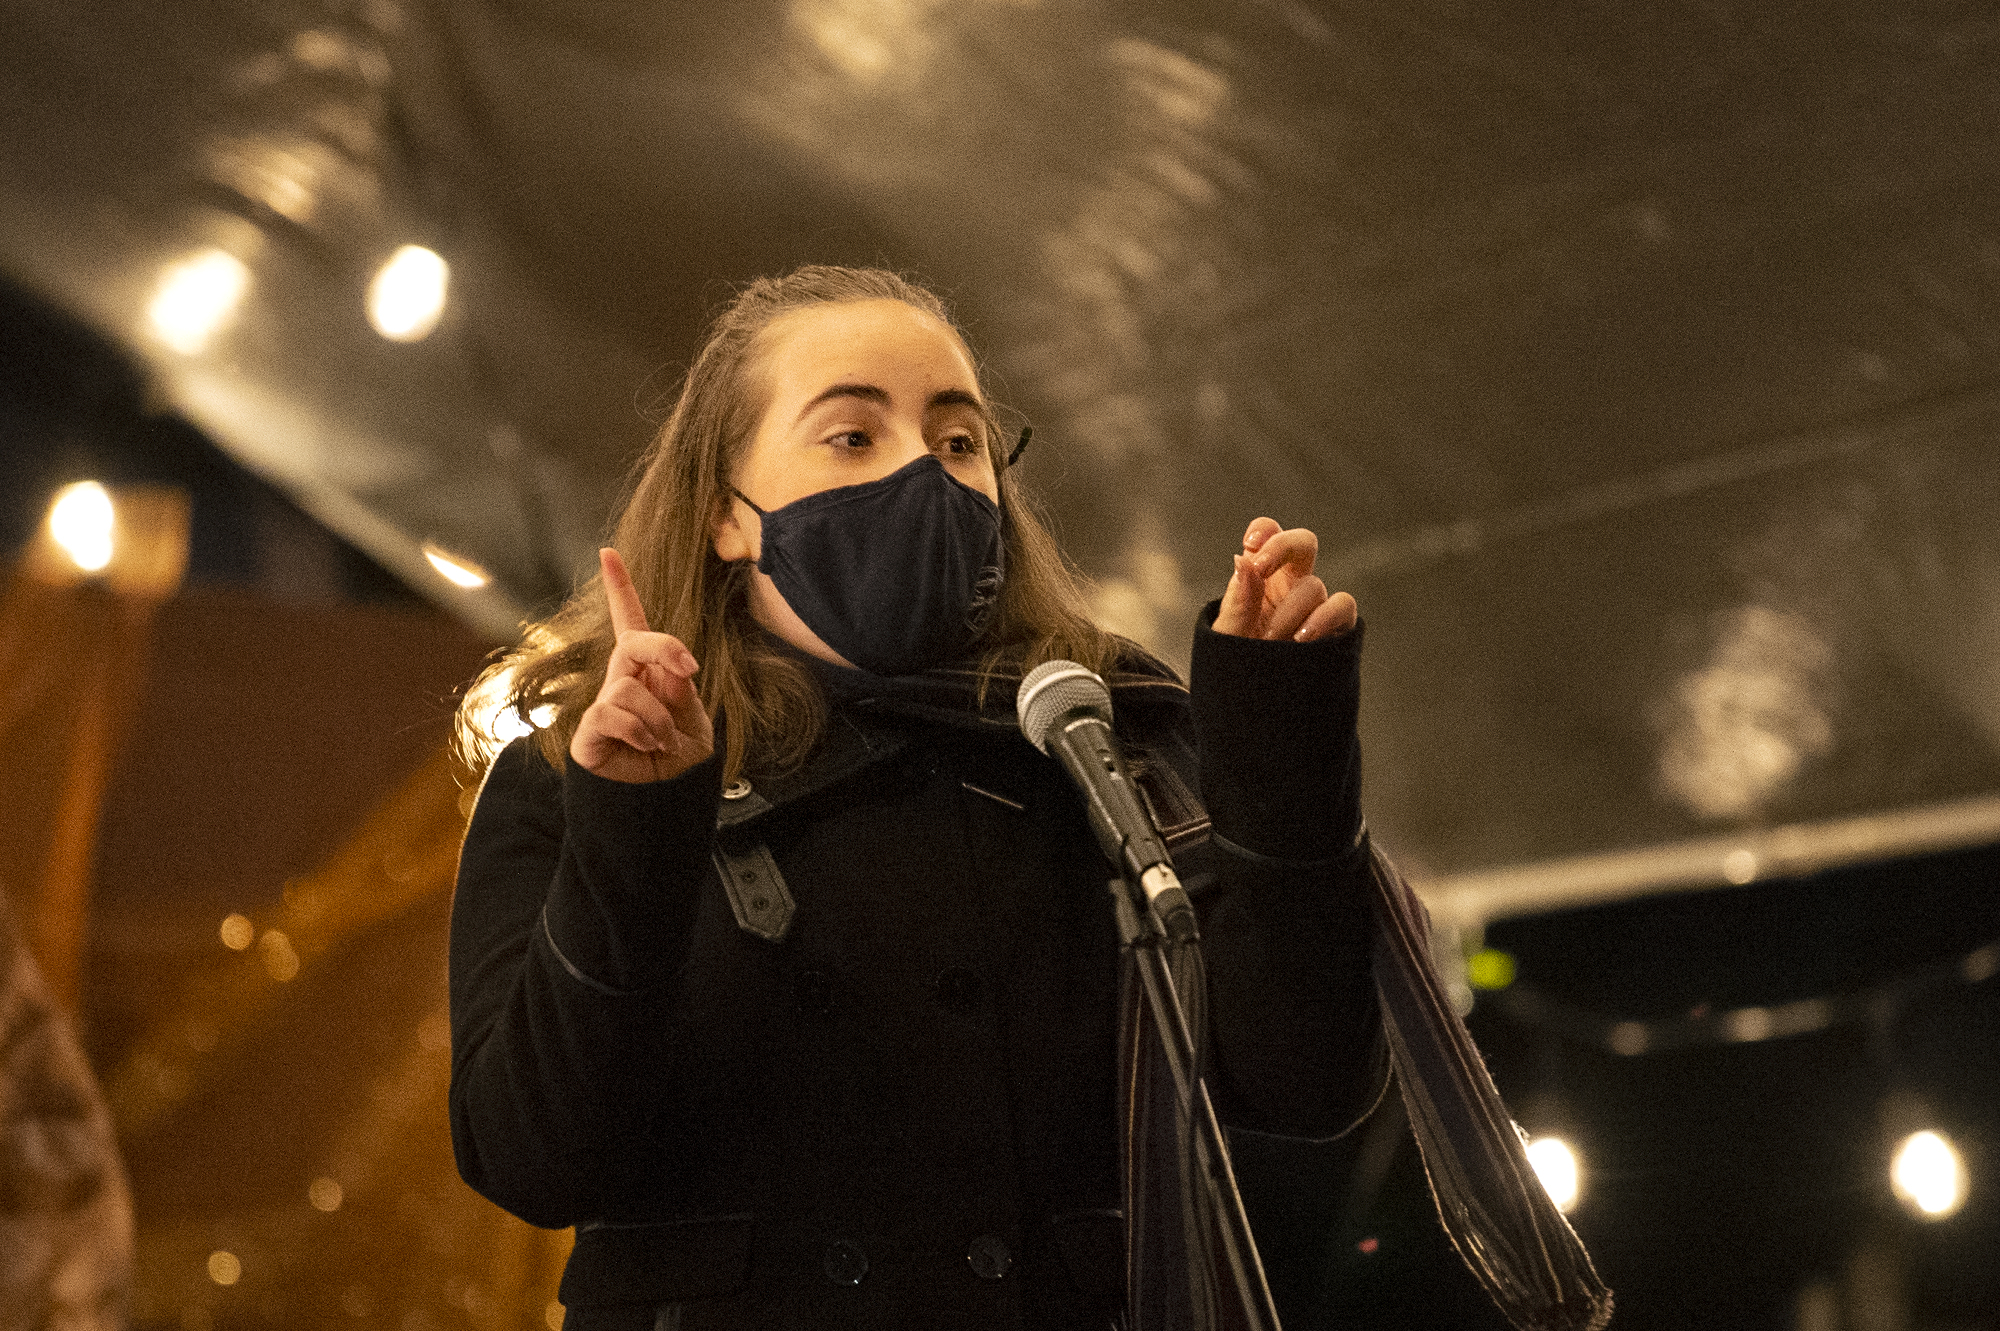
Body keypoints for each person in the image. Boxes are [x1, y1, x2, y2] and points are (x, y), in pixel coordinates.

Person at [448, 266, 1467, 1331]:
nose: (923, 477)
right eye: (852, 436)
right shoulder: (571, 777)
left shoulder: (1087, 740)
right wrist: (639, 828)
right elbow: (531, 1155)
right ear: (724, 516)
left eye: (956, 441)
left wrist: (1272, 750)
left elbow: (1306, 1081)